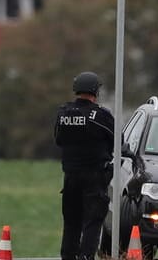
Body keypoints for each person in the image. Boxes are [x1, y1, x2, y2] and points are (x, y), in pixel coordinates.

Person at [53, 71, 115, 260]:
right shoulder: (101, 116)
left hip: (70, 177)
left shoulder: (63, 113)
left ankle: (68, 256)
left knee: (71, 221)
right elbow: (116, 143)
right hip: (95, 177)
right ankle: (87, 256)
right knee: (93, 220)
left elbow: (58, 140)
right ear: (95, 91)